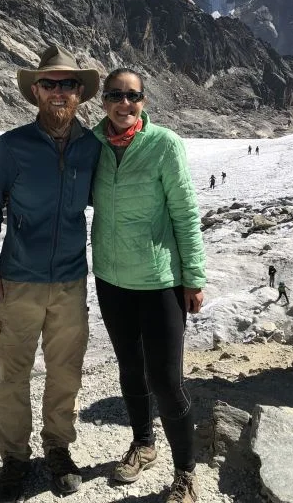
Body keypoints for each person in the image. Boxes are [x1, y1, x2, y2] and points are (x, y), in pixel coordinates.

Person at [0, 44, 101, 502]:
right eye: (50, 84)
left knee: (65, 371)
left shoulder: (92, 147)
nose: (59, 91)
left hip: (70, 281)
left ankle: (58, 448)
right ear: (36, 91)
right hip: (19, 280)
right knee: (13, 374)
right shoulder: (12, 147)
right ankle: (14, 457)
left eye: (68, 84)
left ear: (79, 94)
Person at [91, 68, 206, 503]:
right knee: (129, 368)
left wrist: (193, 277)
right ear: (104, 100)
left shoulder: (164, 144)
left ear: (143, 101)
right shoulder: (93, 145)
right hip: (112, 278)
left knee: (166, 380)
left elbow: (185, 213)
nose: (124, 104)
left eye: (133, 96)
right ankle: (143, 443)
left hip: (159, 282)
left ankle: (185, 474)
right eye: (115, 95)